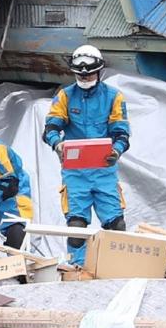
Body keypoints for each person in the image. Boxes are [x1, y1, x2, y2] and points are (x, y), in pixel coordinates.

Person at [42, 45, 131, 266]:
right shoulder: (64, 96)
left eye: (89, 73)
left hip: (104, 171)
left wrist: (116, 151)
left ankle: (116, 267)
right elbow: (50, 128)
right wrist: (57, 145)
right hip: (75, 174)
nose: (85, 77)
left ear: (99, 71)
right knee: (76, 228)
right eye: (80, 74)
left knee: (116, 226)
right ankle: (76, 268)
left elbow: (122, 133)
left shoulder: (114, 97)